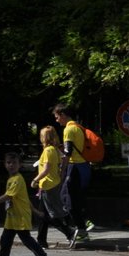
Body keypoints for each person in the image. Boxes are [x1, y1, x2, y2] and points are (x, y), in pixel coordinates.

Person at [0, 152, 55, 256]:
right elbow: (25, 198)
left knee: (27, 240)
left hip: (20, 216)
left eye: (14, 163)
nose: (11, 165)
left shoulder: (17, 179)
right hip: (12, 217)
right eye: (8, 162)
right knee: (5, 240)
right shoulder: (12, 178)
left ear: (20, 165)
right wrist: (36, 211)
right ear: (5, 164)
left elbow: (8, 196)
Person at [31, 124, 76, 248]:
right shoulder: (55, 149)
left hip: (48, 185)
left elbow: (46, 169)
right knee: (43, 214)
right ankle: (41, 240)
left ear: (44, 137)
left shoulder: (48, 150)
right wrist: (61, 175)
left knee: (50, 215)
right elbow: (63, 161)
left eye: (41, 136)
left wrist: (35, 179)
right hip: (52, 183)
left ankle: (70, 232)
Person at [53, 103, 92, 243]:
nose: (57, 120)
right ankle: (83, 224)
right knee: (74, 198)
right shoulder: (79, 127)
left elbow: (68, 152)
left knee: (66, 198)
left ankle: (83, 226)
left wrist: (62, 170)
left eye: (57, 117)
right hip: (84, 167)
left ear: (63, 115)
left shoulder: (68, 130)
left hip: (74, 167)